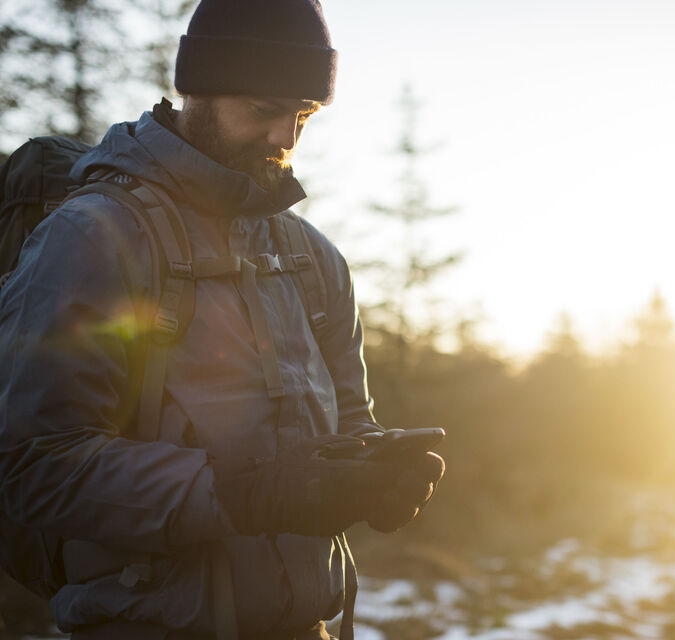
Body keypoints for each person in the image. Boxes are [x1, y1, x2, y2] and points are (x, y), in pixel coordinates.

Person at [0, 0, 445, 638]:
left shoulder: (312, 256)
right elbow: (35, 465)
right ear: (197, 91)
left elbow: (349, 423)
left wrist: (375, 475)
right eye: (265, 110)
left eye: (303, 114)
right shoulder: (95, 237)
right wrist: (250, 493)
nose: (286, 138)